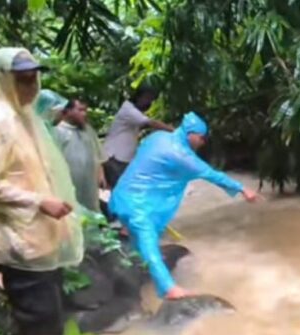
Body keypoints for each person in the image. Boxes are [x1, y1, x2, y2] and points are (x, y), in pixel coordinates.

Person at [0, 47, 83, 335]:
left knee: (50, 316)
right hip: (18, 241)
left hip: (42, 236)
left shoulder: (24, 117)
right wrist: (39, 201)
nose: (30, 88)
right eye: (23, 81)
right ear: (2, 80)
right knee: (37, 322)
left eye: (33, 80)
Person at [109, 112, 260, 300]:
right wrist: (243, 189)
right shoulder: (182, 155)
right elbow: (212, 175)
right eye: (201, 138)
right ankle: (168, 289)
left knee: (136, 238)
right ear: (191, 133)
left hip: (122, 195)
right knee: (149, 242)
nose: (203, 142)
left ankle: (137, 269)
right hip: (138, 205)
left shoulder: (158, 137)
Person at [102, 85, 174, 188]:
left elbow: (143, 126)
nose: (148, 102)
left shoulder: (133, 112)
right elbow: (150, 123)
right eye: (147, 98)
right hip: (115, 157)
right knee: (122, 190)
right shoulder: (128, 109)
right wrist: (173, 131)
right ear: (138, 97)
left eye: (151, 100)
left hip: (122, 158)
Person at [55, 99, 103, 212]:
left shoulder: (88, 130)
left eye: (85, 110)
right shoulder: (58, 131)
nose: (84, 114)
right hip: (68, 181)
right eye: (80, 110)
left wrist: (101, 173)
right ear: (68, 111)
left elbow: (97, 153)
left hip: (89, 182)